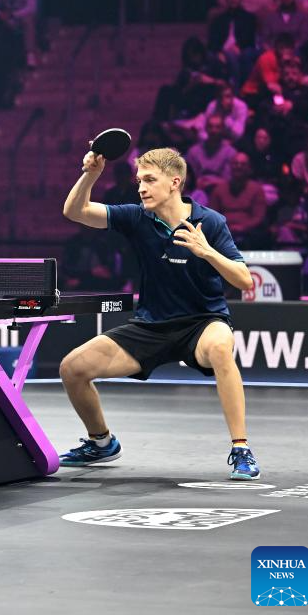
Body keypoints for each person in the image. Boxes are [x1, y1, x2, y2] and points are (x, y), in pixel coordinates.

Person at [59, 146, 259, 480]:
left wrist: (207, 252)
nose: (141, 188)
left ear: (175, 182)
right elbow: (75, 212)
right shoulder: (137, 217)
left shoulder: (210, 222)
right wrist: (90, 175)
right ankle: (101, 442)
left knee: (221, 348)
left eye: (150, 180)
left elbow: (244, 280)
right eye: (139, 181)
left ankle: (241, 449)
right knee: (72, 368)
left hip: (201, 323)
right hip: (150, 326)